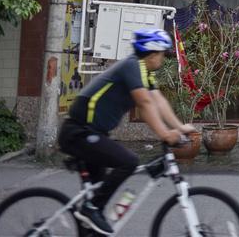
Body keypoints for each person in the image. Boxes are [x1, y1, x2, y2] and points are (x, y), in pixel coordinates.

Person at [58, 28, 195, 235]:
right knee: (128, 162)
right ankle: (90, 209)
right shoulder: (133, 66)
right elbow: (144, 102)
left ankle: (91, 219)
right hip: (79, 132)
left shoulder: (143, 71)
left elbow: (158, 101)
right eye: (163, 54)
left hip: (92, 134)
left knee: (97, 207)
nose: (164, 59)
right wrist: (166, 135)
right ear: (152, 53)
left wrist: (179, 127)